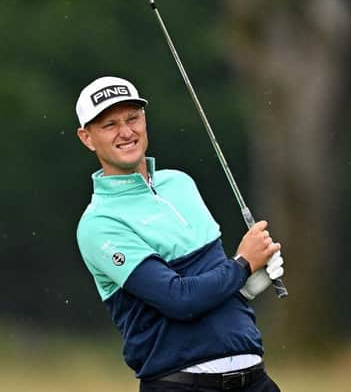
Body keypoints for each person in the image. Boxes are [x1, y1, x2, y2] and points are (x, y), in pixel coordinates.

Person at [75, 76, 285, 391]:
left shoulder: (181, 183)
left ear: (144, 120)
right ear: (87, 138)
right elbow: (179, 299)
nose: (126, 132)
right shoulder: (99, 223)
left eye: (133, 118)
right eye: (109, 125)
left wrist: (243, 291)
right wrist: (242, 265)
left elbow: (208, 281)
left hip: (254, 380)